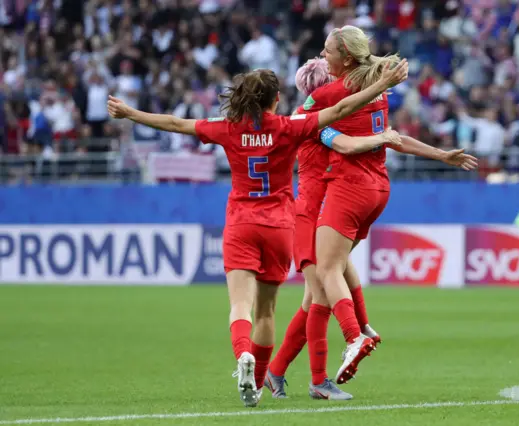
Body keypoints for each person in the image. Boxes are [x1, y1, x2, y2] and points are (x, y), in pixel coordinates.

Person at [106, 62, 409, 407]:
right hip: (279, 225)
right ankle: (262, 379)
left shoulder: (228, 128)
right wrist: (383, 82)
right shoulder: (288, 127)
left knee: (240, 306)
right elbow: (340, 109)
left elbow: (175, 124)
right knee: (267, 312)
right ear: (276, 99)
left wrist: (130, 112)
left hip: (241, 223)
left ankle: (243, 359)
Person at [264, 57, 478, 400]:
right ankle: (322, 374)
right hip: (311, 214)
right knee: (319, 295)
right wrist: (381, 135)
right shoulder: (315, 122)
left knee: (316, 297)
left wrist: (433, 153)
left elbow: (389, 137)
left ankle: (280, 371)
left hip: (323, 210)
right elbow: (352, 144)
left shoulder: (327, 115)